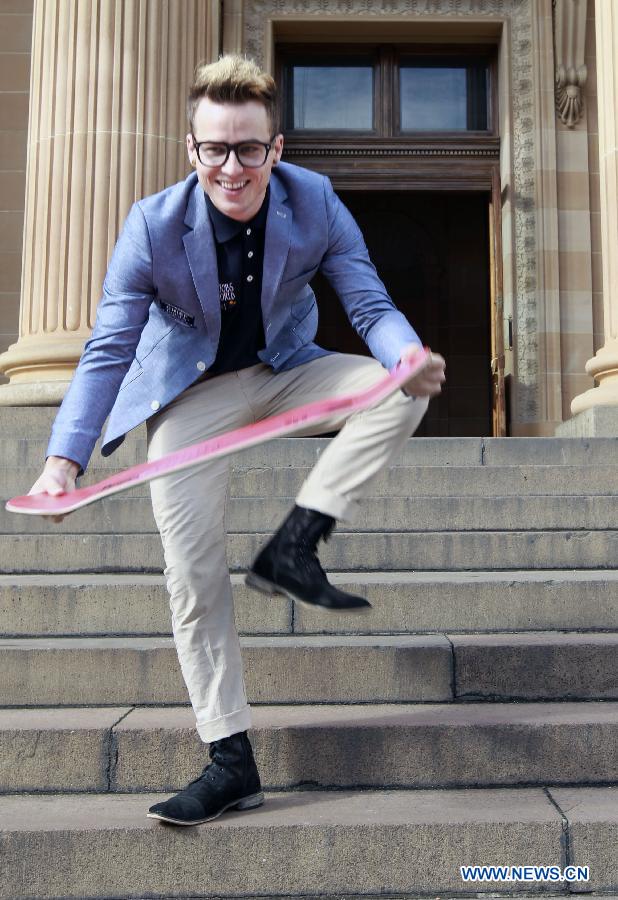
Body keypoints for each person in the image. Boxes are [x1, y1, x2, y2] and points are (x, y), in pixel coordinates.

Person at [29, 55, 446, 827]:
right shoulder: (152, 225)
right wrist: (63, 463)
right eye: (215, 149)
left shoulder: (314, 201)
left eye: (249, 149)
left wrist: (406, 355)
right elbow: (108, 348)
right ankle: (230, 758)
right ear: (192, 151)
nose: (233, 167)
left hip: (289, 368)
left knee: (400, 392)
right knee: (190, 574)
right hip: (193, 394)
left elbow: (368, 297)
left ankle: (296, 543)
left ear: (276, 149)